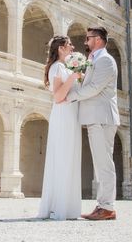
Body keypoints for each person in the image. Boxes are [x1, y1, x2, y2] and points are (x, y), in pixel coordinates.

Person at [66, 26, 119, 221]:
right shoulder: (93, 60)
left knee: (104, 164)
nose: (85, 42)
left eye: (88, 38)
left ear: (97, 39)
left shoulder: (105, 60)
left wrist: (70, 96)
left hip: (102, 117)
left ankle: (107, 207)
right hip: (95, 117)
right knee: (101, 163)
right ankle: (103, 205)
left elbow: (95, 88)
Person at [37, 35, 83, 220]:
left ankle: (69, 207)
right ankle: (60, 207)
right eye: (69, 44)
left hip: (71, 116)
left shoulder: (64, 67)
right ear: (61, 48)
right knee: (63, 158)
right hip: (63, 115)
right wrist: (73, 76)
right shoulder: (57, 67)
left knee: (71, 158)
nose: (73, 47)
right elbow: (58, 97)